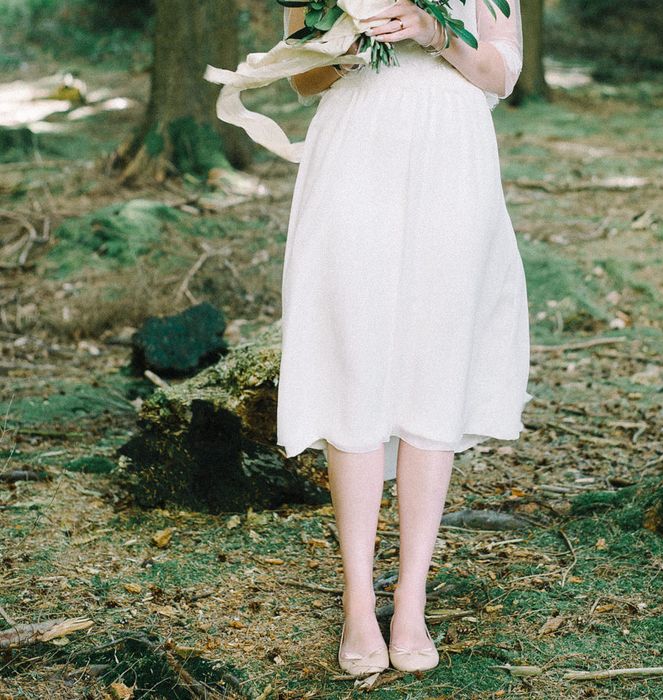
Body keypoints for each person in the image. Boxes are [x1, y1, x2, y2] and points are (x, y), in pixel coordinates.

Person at [277, 0, 531, 675]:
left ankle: (412, 599)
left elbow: (502, 73)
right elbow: (300, 77)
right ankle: (359, 599)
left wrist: (433, 30)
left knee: (436, 356)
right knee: (354, 351)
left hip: (453, 151)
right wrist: (344, 43)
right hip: (357, 146)